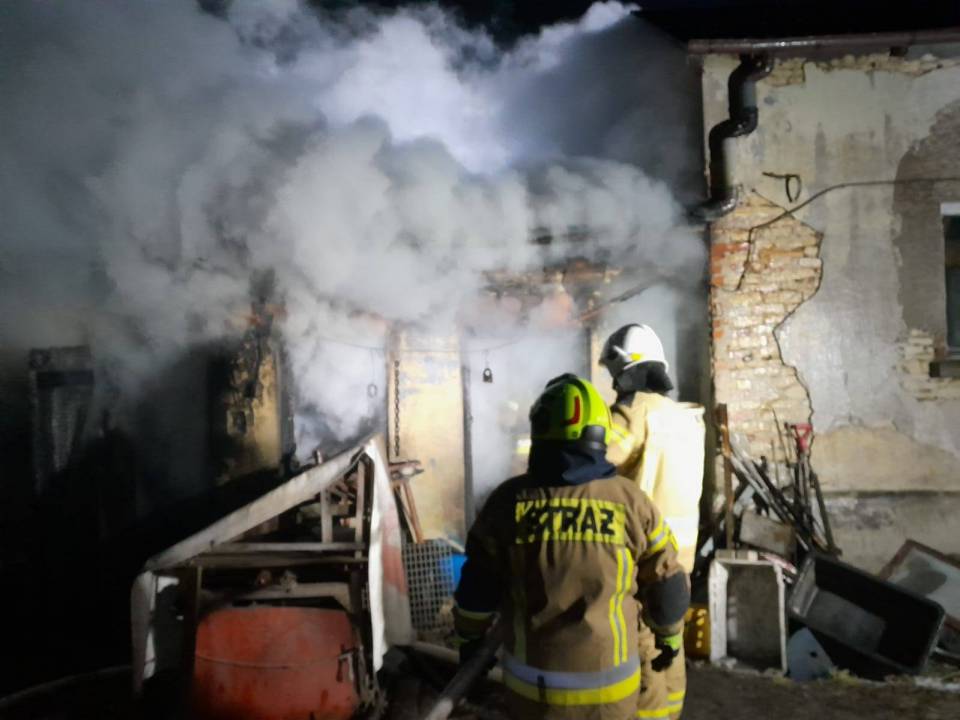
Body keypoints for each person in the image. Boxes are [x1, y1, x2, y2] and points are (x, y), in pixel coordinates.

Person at [453, 374, 689, 720]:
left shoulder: (506, 503)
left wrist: (470, 642)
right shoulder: (630, 502)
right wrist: (669, 638)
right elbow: (668, 584)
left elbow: (477, 591)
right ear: (600, 435)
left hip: (533, 695)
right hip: (610, 695)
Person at [601, 324, 706, 720]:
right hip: (681, 559)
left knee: (643, 650)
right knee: (670, 643)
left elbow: (598, 459)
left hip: (644, 560)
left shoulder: (633, 413)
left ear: (624, 368)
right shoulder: (686, 418)